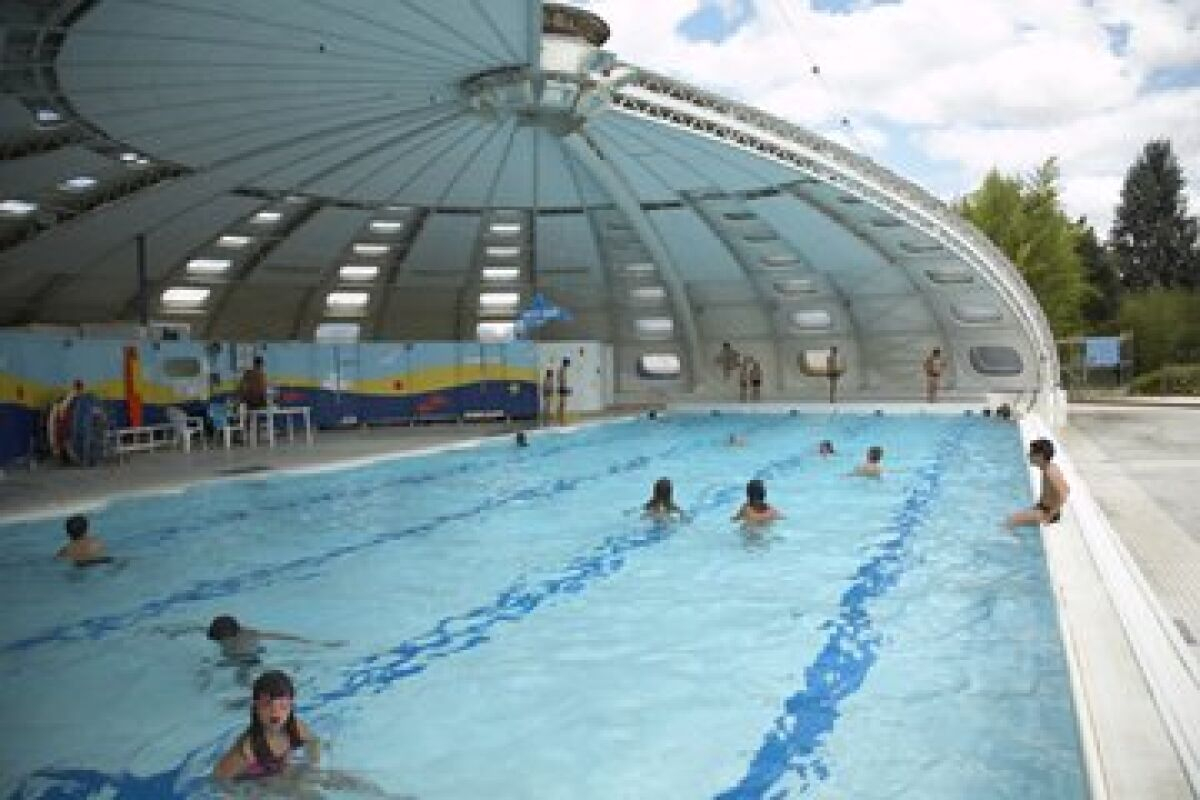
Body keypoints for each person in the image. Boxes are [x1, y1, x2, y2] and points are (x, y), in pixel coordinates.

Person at [213, 670, 319, 780]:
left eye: (283, 705)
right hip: (257, 783)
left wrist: (312, 766)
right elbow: (219, 776)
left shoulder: (296, 727)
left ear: (291, 707)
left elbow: (314, 742)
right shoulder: (250, 748)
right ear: (256, 707)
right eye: (267, 704)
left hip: (280, 772)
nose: (275, 712)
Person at [206, 615, 343, 666]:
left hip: (249, 657)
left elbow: (283, 638)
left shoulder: (241, 645)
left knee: (243, 677)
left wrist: (320, 644)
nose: (219, 643)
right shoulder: (247, 632)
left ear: (229, 637)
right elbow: (280, 637)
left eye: (221, 640)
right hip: (254, 651)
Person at [1007, 438, 1069, 529]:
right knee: (1014, 518)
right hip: (1042, 507)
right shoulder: (1047, 468)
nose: (1029, 455)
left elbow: (1065, 492)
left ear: (1040, 456)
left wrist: (1050, 516)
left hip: (1047, 512)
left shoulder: (1050, 471)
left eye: (1032, 453)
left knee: (1011, 520)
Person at [556, 358, 571, 425]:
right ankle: (561, 419)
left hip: (562, 387)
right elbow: (560, 379)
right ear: (566, 363)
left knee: (562, 404)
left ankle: (561, 418)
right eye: (568, 363)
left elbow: (560, 378)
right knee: (562, 404)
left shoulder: (563, 369)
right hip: (562, 387)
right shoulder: (562, 369)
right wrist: (564, 388)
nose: (568, 365)